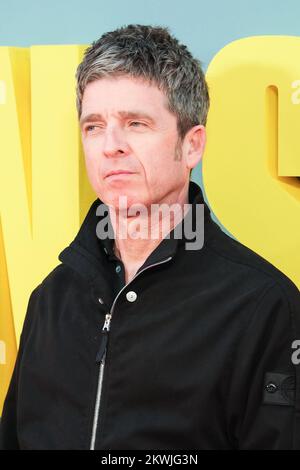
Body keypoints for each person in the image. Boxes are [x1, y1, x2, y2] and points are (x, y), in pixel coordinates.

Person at [1, 24, 300, 450]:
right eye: (94, 126)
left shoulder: (263, 306)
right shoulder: (51, 299)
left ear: (191, 146)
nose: (111, 146)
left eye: (136, 123)